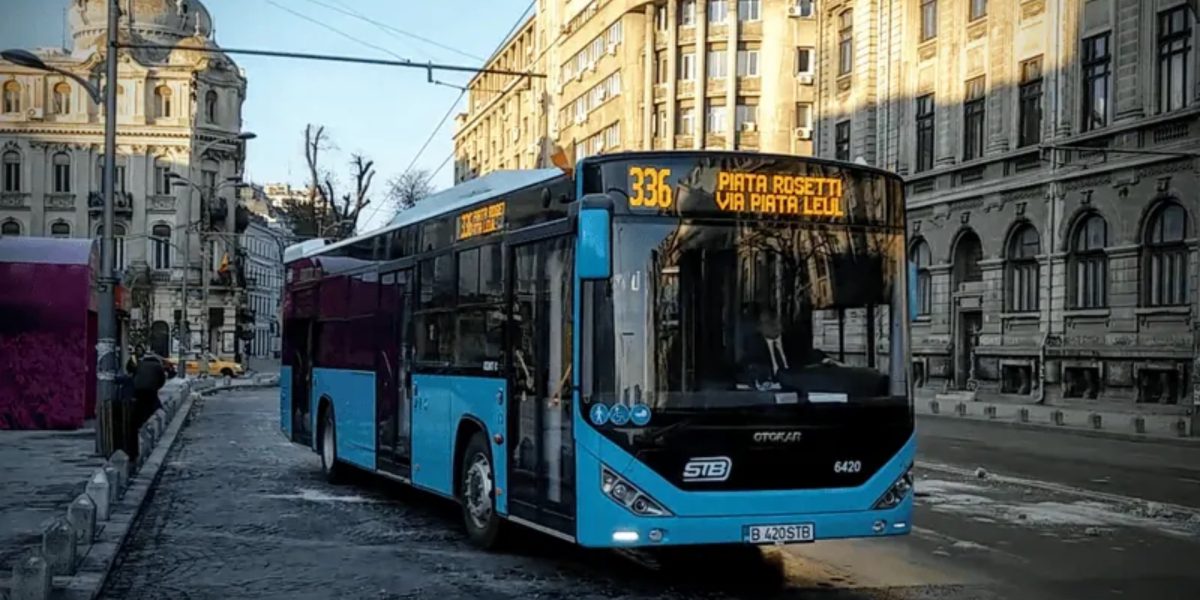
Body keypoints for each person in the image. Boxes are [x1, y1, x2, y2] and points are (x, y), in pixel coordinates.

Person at [132, 349, 167, 430]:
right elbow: (162, 379)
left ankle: (137, 423)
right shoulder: (158, 366)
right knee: (153, 404)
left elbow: (134, 375)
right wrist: (157, 387)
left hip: (138, 389)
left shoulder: (140, 364)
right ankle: (152, 420)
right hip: (150, 389)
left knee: (140, 405)